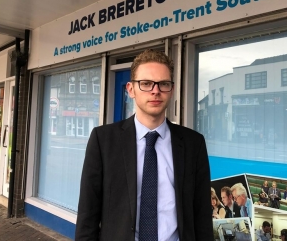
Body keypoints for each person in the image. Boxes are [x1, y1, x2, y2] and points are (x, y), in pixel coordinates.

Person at [75, 49, 213, 240]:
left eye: (163, 84)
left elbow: (202, 214)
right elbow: (87, 215)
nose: (155, 91)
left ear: (171, 90)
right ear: (131, 89)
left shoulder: (193, 144)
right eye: (146, 83)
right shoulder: (103, 140)